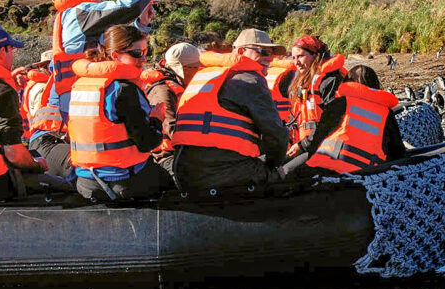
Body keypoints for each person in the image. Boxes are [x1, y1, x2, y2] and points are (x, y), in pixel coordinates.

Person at [173, 29, 289, 191]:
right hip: (220, 172)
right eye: (263, 52)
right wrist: (274, 164)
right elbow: (275, 135)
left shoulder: (205, 75)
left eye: (271, 53)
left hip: (182, 170)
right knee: (281, 177)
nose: (269, 58)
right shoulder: (251, 79)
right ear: (241, 51)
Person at [45, 0, 159, 123]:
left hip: (75, 94)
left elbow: (120, 41)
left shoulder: (75, 16)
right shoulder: (82, 12)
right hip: (80, 94)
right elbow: (128, 7)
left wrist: (142, 23)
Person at [68, 25, 170, 201]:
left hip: (86, 182)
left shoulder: (81, 84)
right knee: (172, 179)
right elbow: (148, 142)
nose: (143, 59)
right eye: (136, 53)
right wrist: (156, 120)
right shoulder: (124, 89)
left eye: (146, 52)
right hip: (122, 183)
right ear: (115, 55)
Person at [282, 64, 405, 176]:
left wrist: (301, 147)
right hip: (366, 173)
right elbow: (397, 151)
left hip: (325, 167)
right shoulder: (386, 112)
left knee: (289, 175)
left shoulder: (339, 103)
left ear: (347, 82)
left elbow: (317, 138)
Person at [0, 26, 51, 201]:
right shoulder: (4, 92)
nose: (13, 55)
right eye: (11, 49)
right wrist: (37, 166)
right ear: (1, 51)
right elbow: (14, 154)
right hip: (1, 183)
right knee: (68, 188)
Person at [142, 42, 202, 175]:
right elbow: (170, 127)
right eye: (196, 68)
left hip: (181, 151)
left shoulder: (175, 84)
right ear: (184, 68)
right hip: (166, 156)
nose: (198, 72)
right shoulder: (162, 91)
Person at [286, 36, 347, 156]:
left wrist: (304, 145)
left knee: (286, 172)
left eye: (300, 56)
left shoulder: (330, 80)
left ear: (315, 55)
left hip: (323, 146)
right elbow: (296, 115)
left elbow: (330, 120)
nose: (296, 62)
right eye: (293, 58)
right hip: (305, 144)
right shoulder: (303, 82)